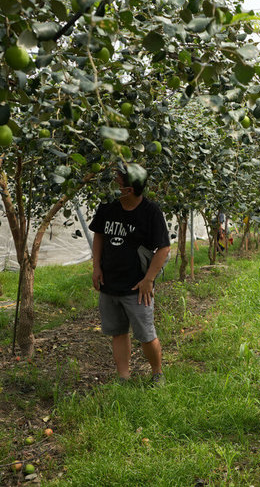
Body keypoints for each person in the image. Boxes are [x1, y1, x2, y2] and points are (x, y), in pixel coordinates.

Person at [89, 163, 171, 385]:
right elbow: (99, 235)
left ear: (130, 189)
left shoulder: (150, 212)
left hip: (137, 287)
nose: (114, 182)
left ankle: (157, 373)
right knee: (117, 332)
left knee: (146, 334)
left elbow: (163, 248)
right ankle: (124, 376)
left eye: (118, 180)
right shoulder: (108, 207)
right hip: (109, 282)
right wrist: (96, 267)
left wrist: (149, 280)